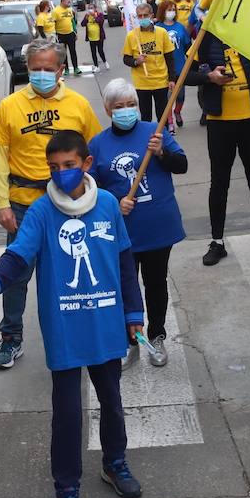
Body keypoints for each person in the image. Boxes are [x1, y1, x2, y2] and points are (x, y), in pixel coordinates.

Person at [0, 130, 145, 498]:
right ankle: (66, 487)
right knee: (67, 413)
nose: (61, 173)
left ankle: (114, 463)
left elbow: (125, 262)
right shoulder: (40, 212)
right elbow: (19, 256)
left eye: (69, 165)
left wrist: (134, 310)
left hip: (105, 322)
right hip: (65, 326)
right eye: (54, 167)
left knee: (113, 400)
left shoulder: (106, 205)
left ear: (87, 164)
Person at [0, 39, 103, 369]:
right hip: (23, 204)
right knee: (16, 273)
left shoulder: (79, 105)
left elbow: (95, 153)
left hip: (69, 205)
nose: (40, 75)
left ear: (60, 71)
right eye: (35, 69)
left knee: (73, 271)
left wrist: (97, 197)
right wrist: (2, 203)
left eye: (47, 69)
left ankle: (79, 331)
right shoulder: (10, 106)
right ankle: (11, 338)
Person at [89, 79, 188, 367]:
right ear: (108, 110)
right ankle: (129, 336)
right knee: (124, 284)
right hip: (122, 232)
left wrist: (161, 153)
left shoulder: (154, 133)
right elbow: (90, 189)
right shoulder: (98, 143)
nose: (126, 110)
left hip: (158, 226)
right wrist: (114, 203)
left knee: (156, 282)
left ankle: (157, 334)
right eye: (119, 106)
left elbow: (181, 165)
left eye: (130, 104)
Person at [188, 25, 250, 266]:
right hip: (220, 123)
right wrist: (209, 77)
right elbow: (183, 74)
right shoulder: (206, 37)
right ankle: (217, 242)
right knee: (219, 182)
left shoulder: (249, 29)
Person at [122, 2, 178, 123]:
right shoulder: (132, 36)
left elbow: (169, 58)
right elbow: (126, 59)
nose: (142, 18)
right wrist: (136, 61)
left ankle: (163, 138)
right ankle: (147, 140)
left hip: (161, 82)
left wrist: (172, 79)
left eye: (145, 15)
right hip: (142, 83)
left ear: (152, 15)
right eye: (139, 16)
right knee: (145, 117)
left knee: (162, 116)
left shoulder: (162, 32)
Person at [161, 0, 191, 130]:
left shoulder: (180, 27)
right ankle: (170, 122)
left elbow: (188, 46)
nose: (171, 12)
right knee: (167, 99)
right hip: (164, 69)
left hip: (180, 67)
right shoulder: (159, 28)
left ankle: (177, 111)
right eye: (169, 10)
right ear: (163, 11)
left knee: (180, 96)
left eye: (173, 10)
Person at [53, 0, 81, 75]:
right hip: (61, 35)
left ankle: (76, 68)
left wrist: (75, 32)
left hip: (70, 34)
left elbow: (72, 21)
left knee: (73, 51)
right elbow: (53, 23)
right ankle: (66, 69)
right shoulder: (56, 11)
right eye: (68, 1)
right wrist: (55, 34)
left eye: (70, 1)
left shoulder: (69, 10)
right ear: (62, 2)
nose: (69, 2)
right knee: (63, 53)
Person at [82, 4, 107, 72]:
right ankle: (96, 66)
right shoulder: (87, 16)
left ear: (95, 8)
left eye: (92, 8)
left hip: (99, 37)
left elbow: (101, 22)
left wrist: (95, 16)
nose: (90, 9)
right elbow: (82, 24)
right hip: (91, 38)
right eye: (89, 8)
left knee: (100, 50)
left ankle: (105, 61)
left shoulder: (99, 14)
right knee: (93, 52)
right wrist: (86, 17)